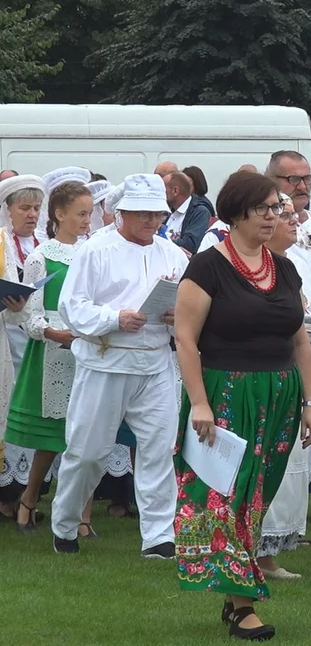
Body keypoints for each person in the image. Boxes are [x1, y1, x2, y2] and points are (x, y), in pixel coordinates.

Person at [172, 172, 311, 640]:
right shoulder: (206, 268)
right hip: (225, 392)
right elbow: (185, 338)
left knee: (257, 499)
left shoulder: (285, 268)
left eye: (279, 209)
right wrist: (199, 402)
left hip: (279, 394)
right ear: (237, 213)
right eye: (266, 209)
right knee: (226, 496)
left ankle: (234, 592)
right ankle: (242, 606)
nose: (276, 216)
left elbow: (299, 341)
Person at [49, 173, 189, 557]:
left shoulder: (172, 253)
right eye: (142, 214)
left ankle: (160, 537)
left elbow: (190, 306)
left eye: (157, 214)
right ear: (120, 213)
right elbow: (72, 308)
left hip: (156, 363)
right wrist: (115, 318)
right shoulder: (95, 250)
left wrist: (179, 316)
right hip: (105, 361)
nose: (152, 222)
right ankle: (65, 525)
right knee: (88, 451)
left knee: (159, 449)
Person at [4, 182, 93, 533]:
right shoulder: (43, 255)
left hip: (88, 349)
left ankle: (82, 515)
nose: (88, 220)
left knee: (88, 437)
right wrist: (53, 333)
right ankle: (29, 497)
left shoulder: (94, 251)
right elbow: (32, 314)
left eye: (89, 213)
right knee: (52, 439)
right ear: (60, 215)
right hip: (54, 354)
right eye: (81, 213)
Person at [256, 192, 311, 580]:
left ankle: (267, 554)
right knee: (258, 464)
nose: (293, 223)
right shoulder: (245, 268)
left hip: (290, 376)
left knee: (287, 467)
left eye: (290, 215)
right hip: (255, 378)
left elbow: (299, 329)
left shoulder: (288, 267)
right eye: (283, 215)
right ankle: (249, 552)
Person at [0, 174, 43, 512]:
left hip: (32, 339)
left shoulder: (42, 243)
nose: (32, 214)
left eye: (37, 207)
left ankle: (25, 491)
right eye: (24, 208)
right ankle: (6, 496)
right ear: (8, 210)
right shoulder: (1, 243)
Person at [163, 170, 214, 255]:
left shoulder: (200, 212)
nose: (160, 192)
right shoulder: (167, 210)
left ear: (175, 191)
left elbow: (191, 245)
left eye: (163, 188)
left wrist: (161, 240)